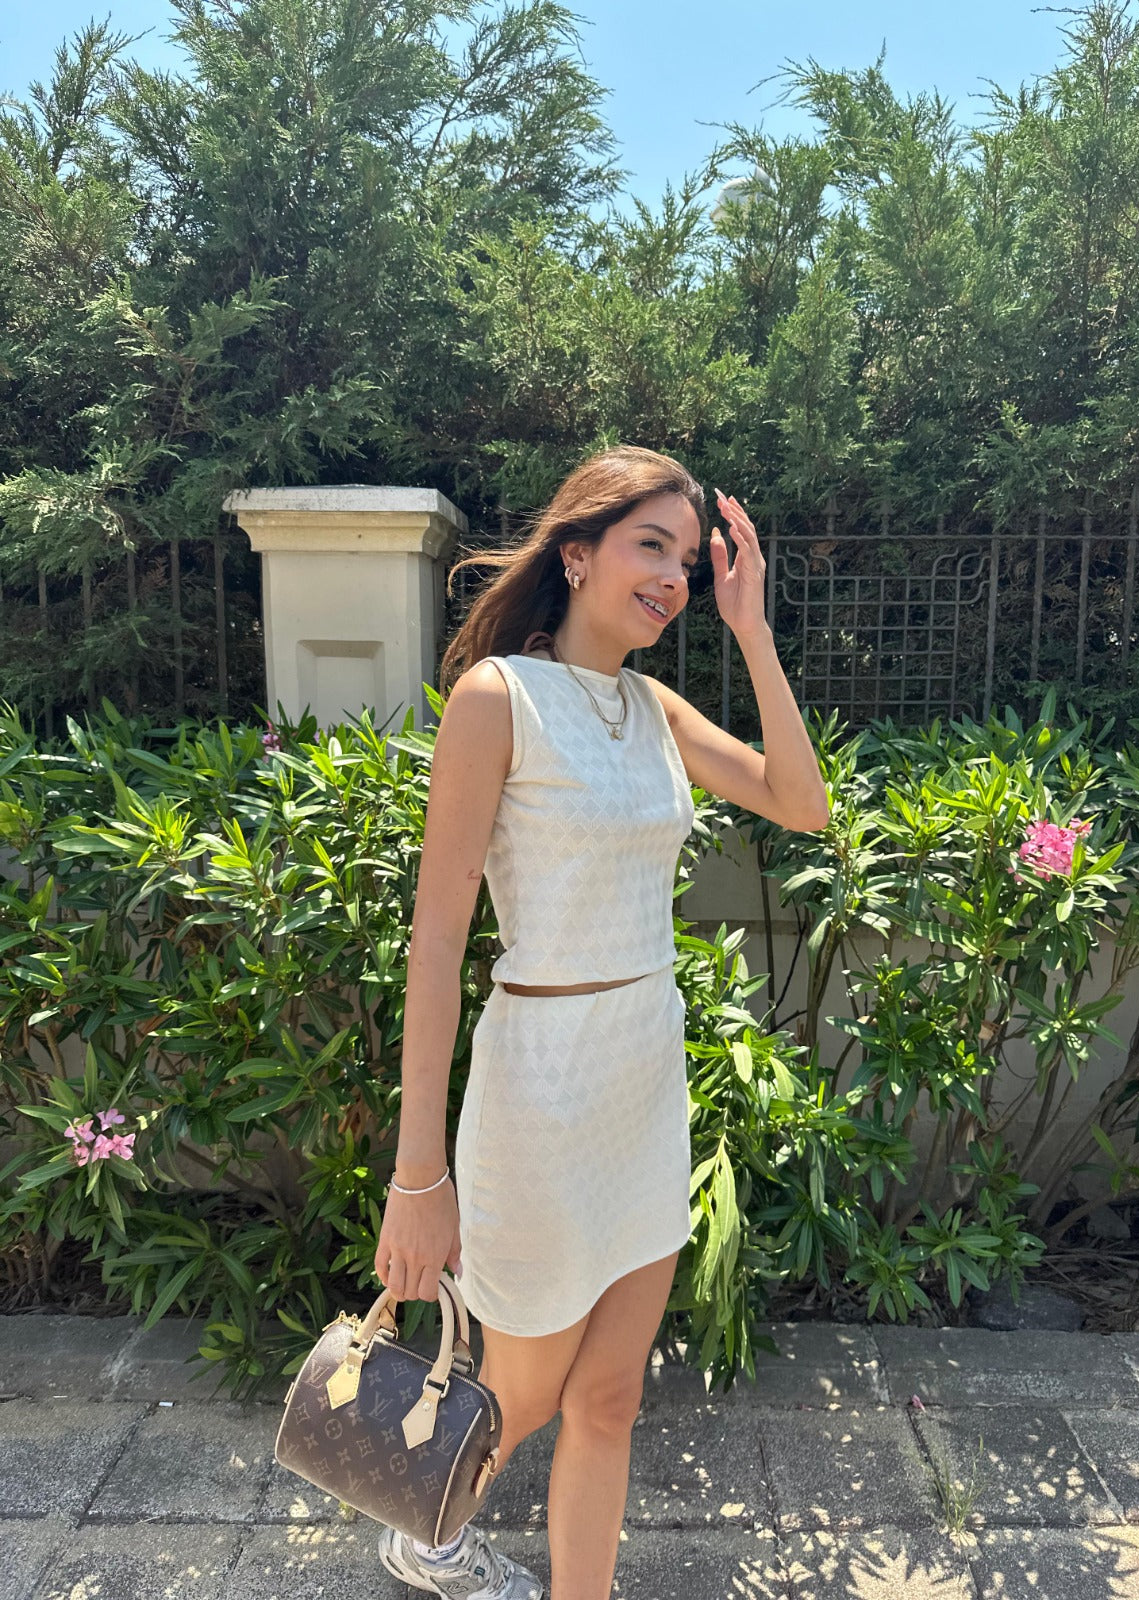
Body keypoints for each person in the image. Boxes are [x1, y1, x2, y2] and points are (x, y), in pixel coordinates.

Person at [372, 445, 828, 1599]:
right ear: (576, 554)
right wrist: (419, 1172)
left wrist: (751, 630)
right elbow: (437, 942)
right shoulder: (498, 699)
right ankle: (425, 1532)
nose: (673, 577)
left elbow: (802, 803)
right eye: (649, 547)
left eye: (687, 561)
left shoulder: (655, 708)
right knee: (519, 1396)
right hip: (539, 1089)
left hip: (643, 1083)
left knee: (612, 1396)